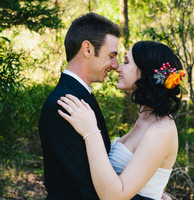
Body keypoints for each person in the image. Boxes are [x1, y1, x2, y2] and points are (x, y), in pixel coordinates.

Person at [39, 12, 152, 200]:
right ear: (88, 49)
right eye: (111, 56)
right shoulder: (63, 104)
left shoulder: (80, 95)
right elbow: (90, 187)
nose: (116, 65)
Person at [57, 41, 185, 200]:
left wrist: (91, 131)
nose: (118, 68)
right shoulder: (145, 121)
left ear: (145, 72)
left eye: (126, 62)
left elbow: (115, 197)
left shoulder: (160, 131)